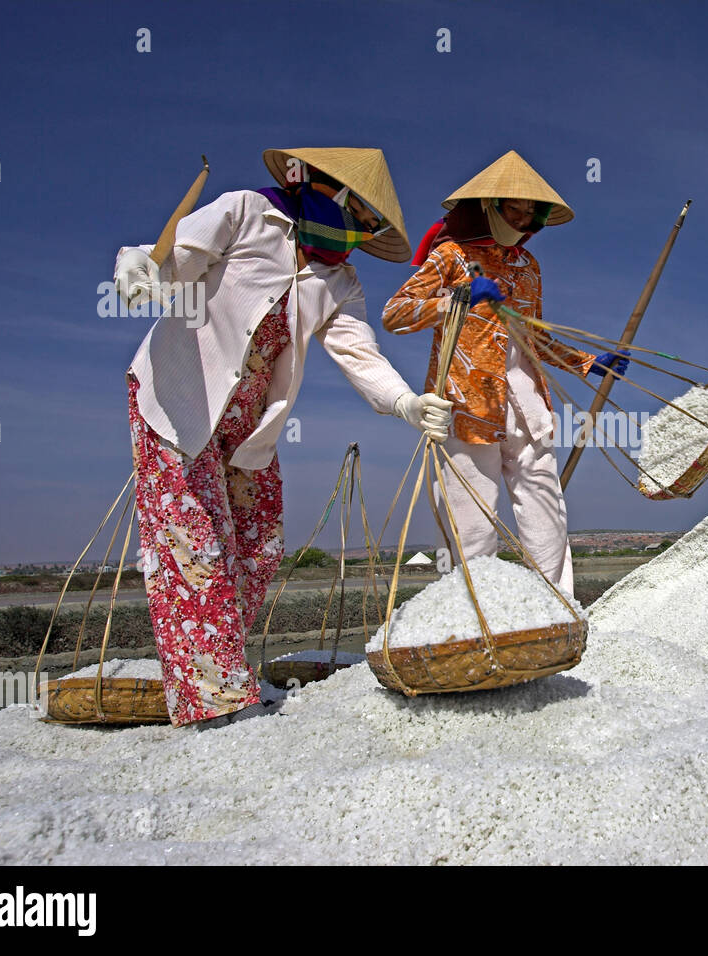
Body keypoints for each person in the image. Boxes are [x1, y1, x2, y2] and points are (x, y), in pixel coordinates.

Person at [113, 147, 451, 727]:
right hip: (177, 401)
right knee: (194, 546)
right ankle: (211, 706)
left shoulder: (339, 281)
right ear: (325, 192)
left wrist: (405, 403)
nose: (360, 233)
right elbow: (177, 256)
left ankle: (212, 669)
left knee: (259, 546)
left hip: (249, 426)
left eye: (369, 229)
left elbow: (358, 352)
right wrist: (143, 267)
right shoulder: (247, 213)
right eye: (362, 218)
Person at [382, 150, 628, 594]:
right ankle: (475, 612)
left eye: (531, 211)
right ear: (488, 206)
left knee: (545, 508)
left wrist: (590, 363)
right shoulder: (451, 256)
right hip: (467, 400)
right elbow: (396, 314)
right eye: (514, 207)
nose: (522, 217)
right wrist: (456, 299)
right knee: (470, 517)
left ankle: (558, 607)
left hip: (527, 403)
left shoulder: (528, 267)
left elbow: (532, 337)